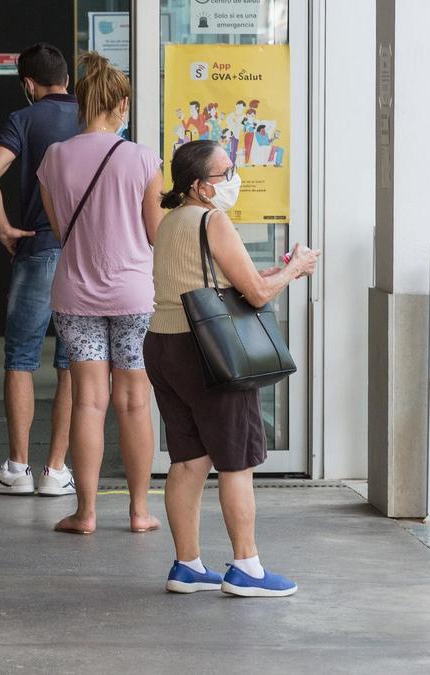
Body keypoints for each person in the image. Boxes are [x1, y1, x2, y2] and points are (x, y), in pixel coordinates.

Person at [147, 140, 319, 597]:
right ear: (202, 187)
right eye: (226, 172)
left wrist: (274, 272)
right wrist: (296, 269)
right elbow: (257, 296)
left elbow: (220, 282)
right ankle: (247, 568)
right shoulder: (212, 219)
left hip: (164, 344)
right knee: (236, 461)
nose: (234, 177)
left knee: (188, 461)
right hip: (209, 351)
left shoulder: (172, 221)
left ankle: (187, 566)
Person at [36, 52, 163, 535]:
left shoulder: (54, 158)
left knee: (89, 401)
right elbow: (155, 232)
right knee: (133, 401)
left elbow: (58, 227)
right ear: (121, 104)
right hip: (134, 294)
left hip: (76, 293)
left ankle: (85, 513)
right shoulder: (142, 157)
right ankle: (138, 512)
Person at [0, 43, 77, 497]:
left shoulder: (24, 118)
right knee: (73, 363)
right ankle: (56, 471)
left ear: (29, 84)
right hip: (83, 254)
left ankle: (17, 468)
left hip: (36, 246)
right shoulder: (94, 118)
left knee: (20, 359)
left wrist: (3, 228)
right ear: (68, 81)